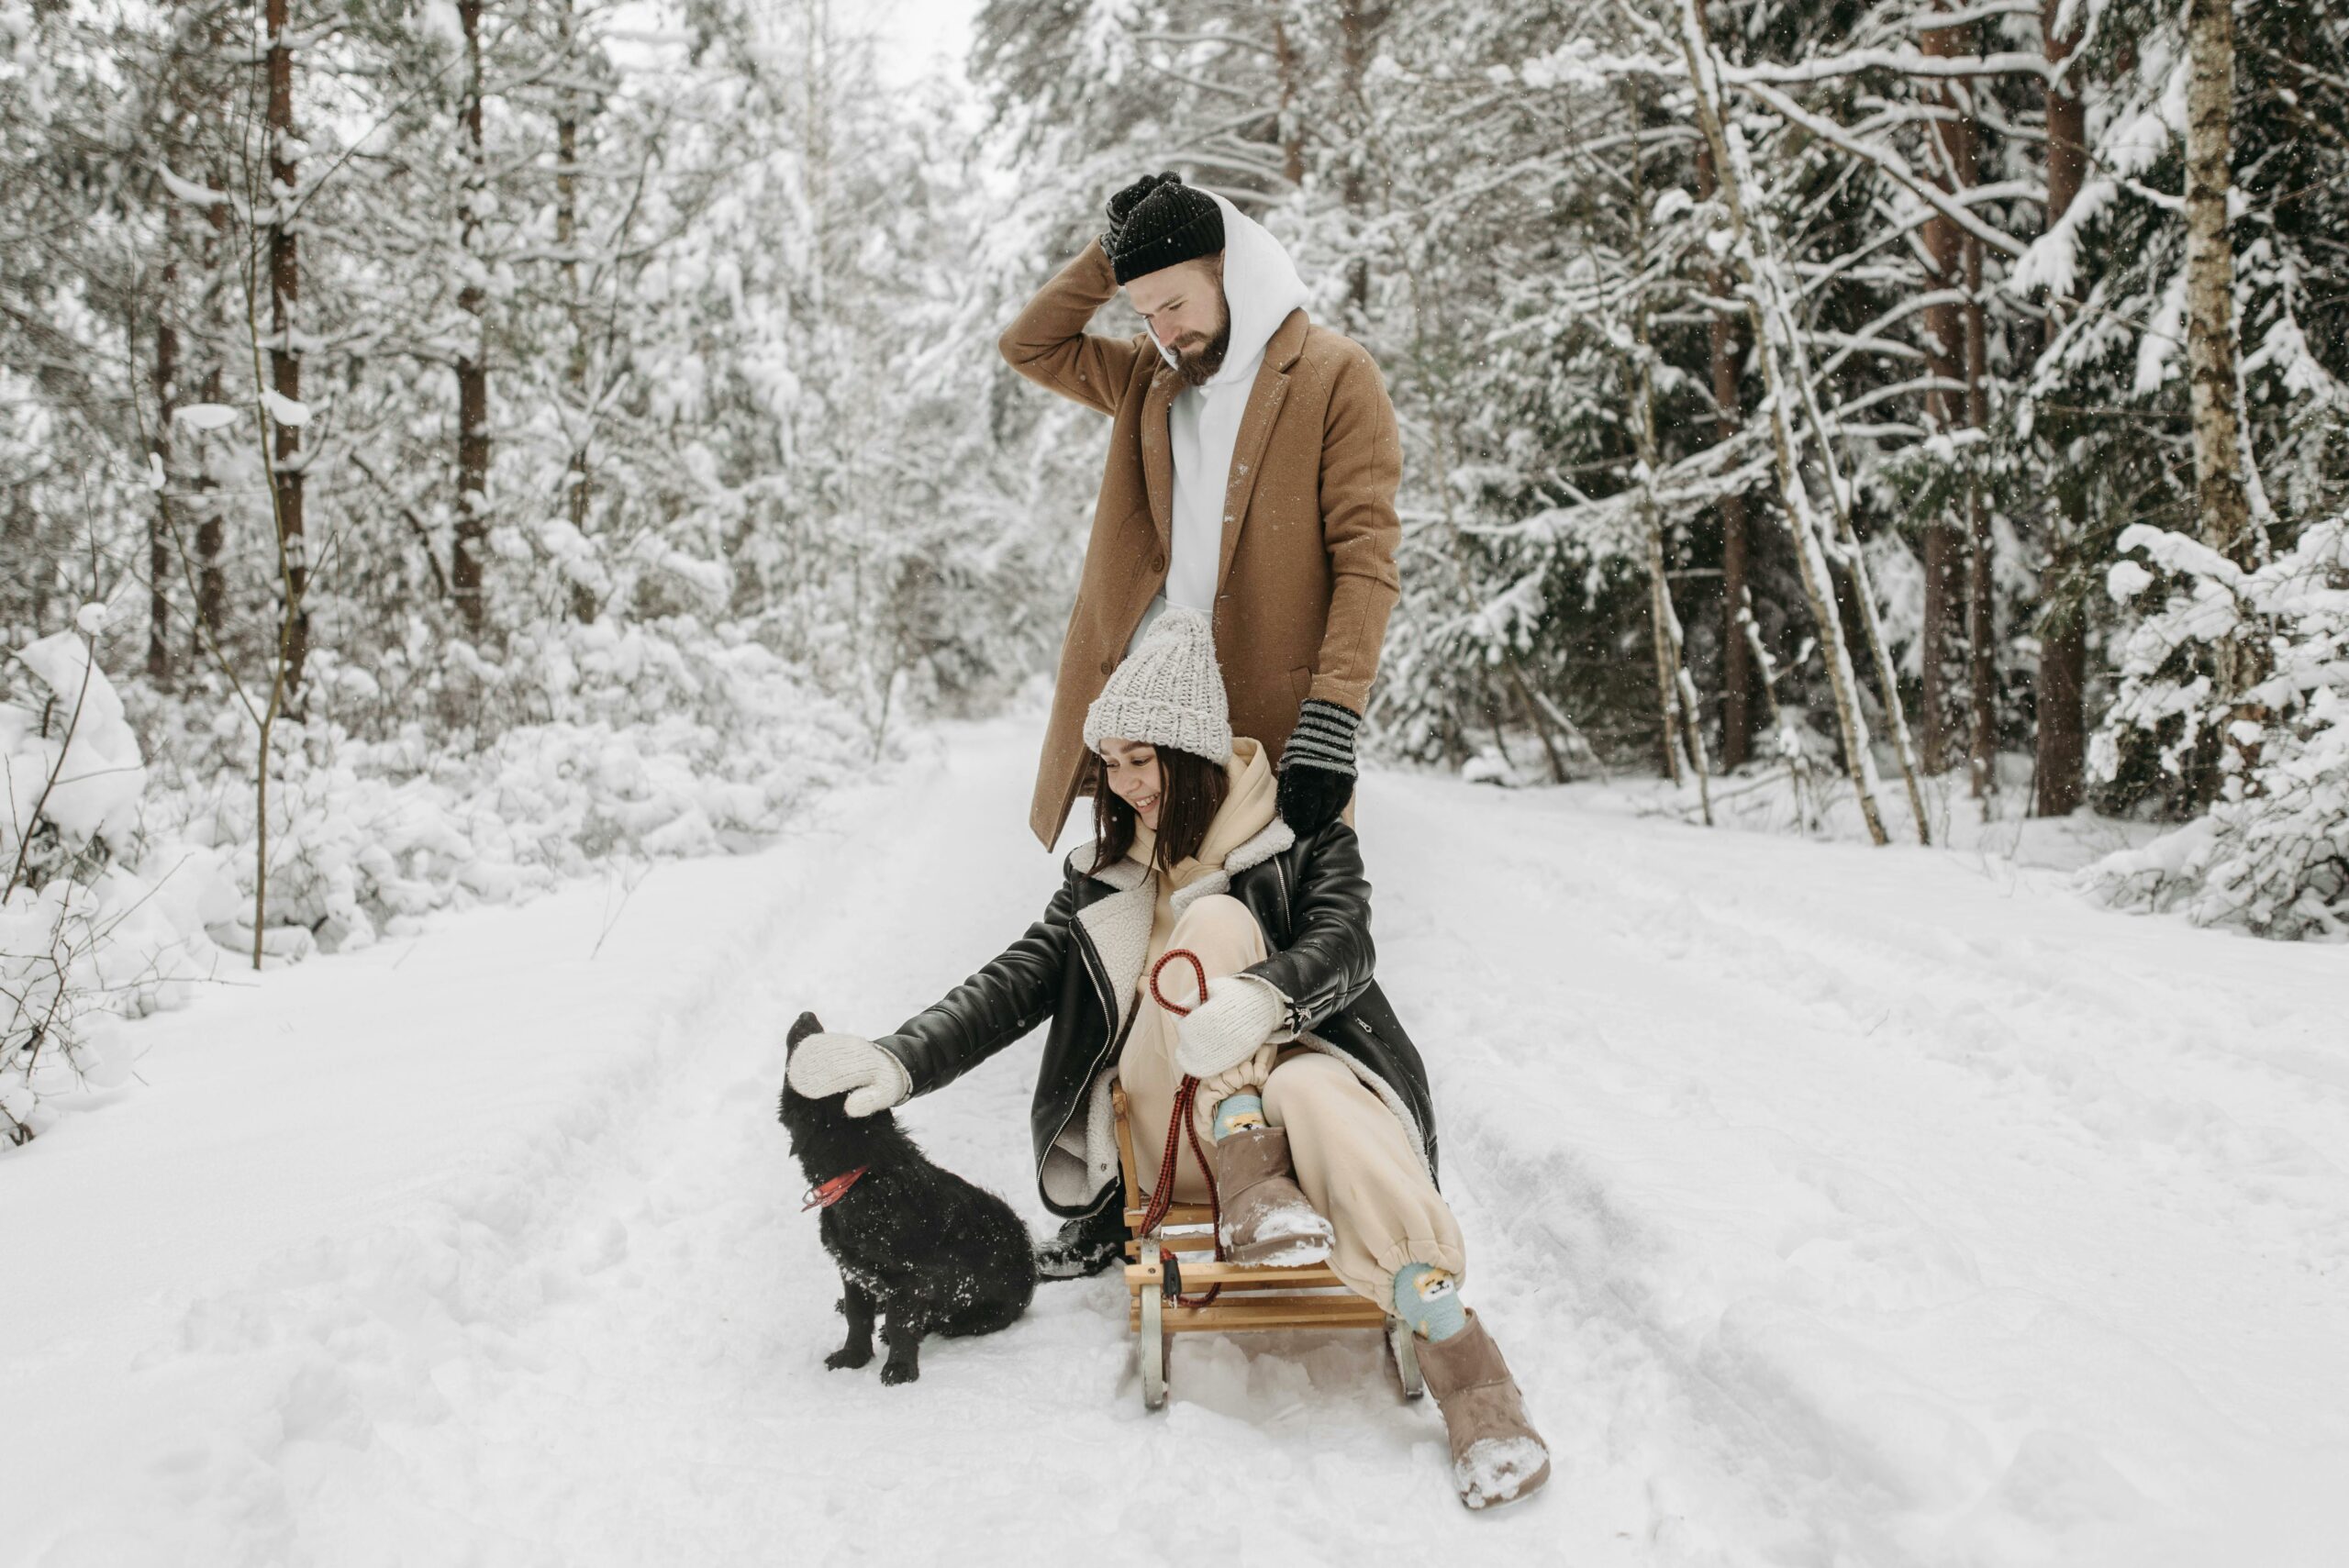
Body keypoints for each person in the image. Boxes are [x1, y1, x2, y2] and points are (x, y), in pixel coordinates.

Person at [785, 611, 1550, 1510]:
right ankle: (1243, 1154)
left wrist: (1264, 1000)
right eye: (1107, 761)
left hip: (1308, 1103)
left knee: (1308, 1076)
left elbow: (1345, 943)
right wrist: (900, 1056)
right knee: (1216, 922)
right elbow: (1008, 984)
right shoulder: (1102, 879)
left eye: (1138, 759)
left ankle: (1472, 1376)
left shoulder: (1307, 835)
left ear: (1191, 755)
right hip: (1176, 1127)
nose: (1120, 782)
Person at [998, 171, 1400, 854]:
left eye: (1176, 304)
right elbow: (1029, 346)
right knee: (1141, 947)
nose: (1164, 331)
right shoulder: (1147, 378)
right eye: (1146, 315)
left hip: (1270, 722)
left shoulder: (1334, 374)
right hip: (1151, 732)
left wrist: (1333, 711)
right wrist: (1110, 253)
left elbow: (1367, 557)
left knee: (1271, 946)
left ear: (1228, 267)